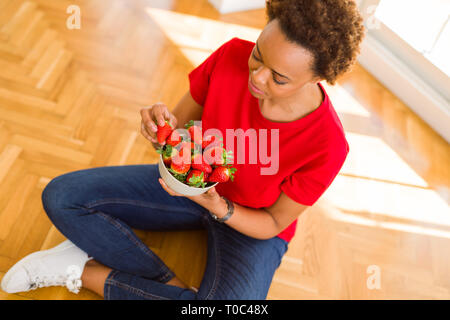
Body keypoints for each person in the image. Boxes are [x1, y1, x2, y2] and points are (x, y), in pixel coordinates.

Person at [1, 0, 365, 299]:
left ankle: (84, 271)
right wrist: (161, 129)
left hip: (246, 222)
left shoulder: (328, 144)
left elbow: (272, 222)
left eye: (279, 77)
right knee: (62, 196)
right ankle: (167, 288)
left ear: (317, 78)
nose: (256, 76)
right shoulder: (230, 56)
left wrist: (217, 206)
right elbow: (178, 130)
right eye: (259, 55)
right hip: (187, 186)